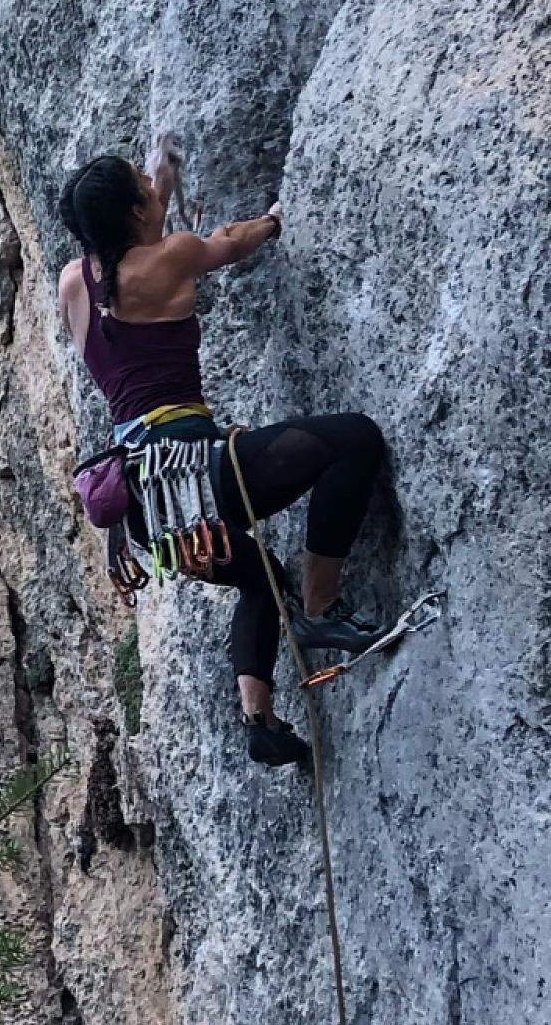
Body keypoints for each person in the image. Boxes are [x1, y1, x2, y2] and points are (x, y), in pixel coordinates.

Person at [57, 138, 387, 770]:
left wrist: (158, 184)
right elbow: (230, 242)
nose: (154, 189)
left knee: (258, 576)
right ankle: (321, 610)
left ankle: (258, 719)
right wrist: (276, 217)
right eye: (143, 186)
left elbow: (128, 246)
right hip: (196, 473)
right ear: (132, 213)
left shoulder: (77, 282)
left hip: (146, 512)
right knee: (354, 441)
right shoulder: (174, 256)